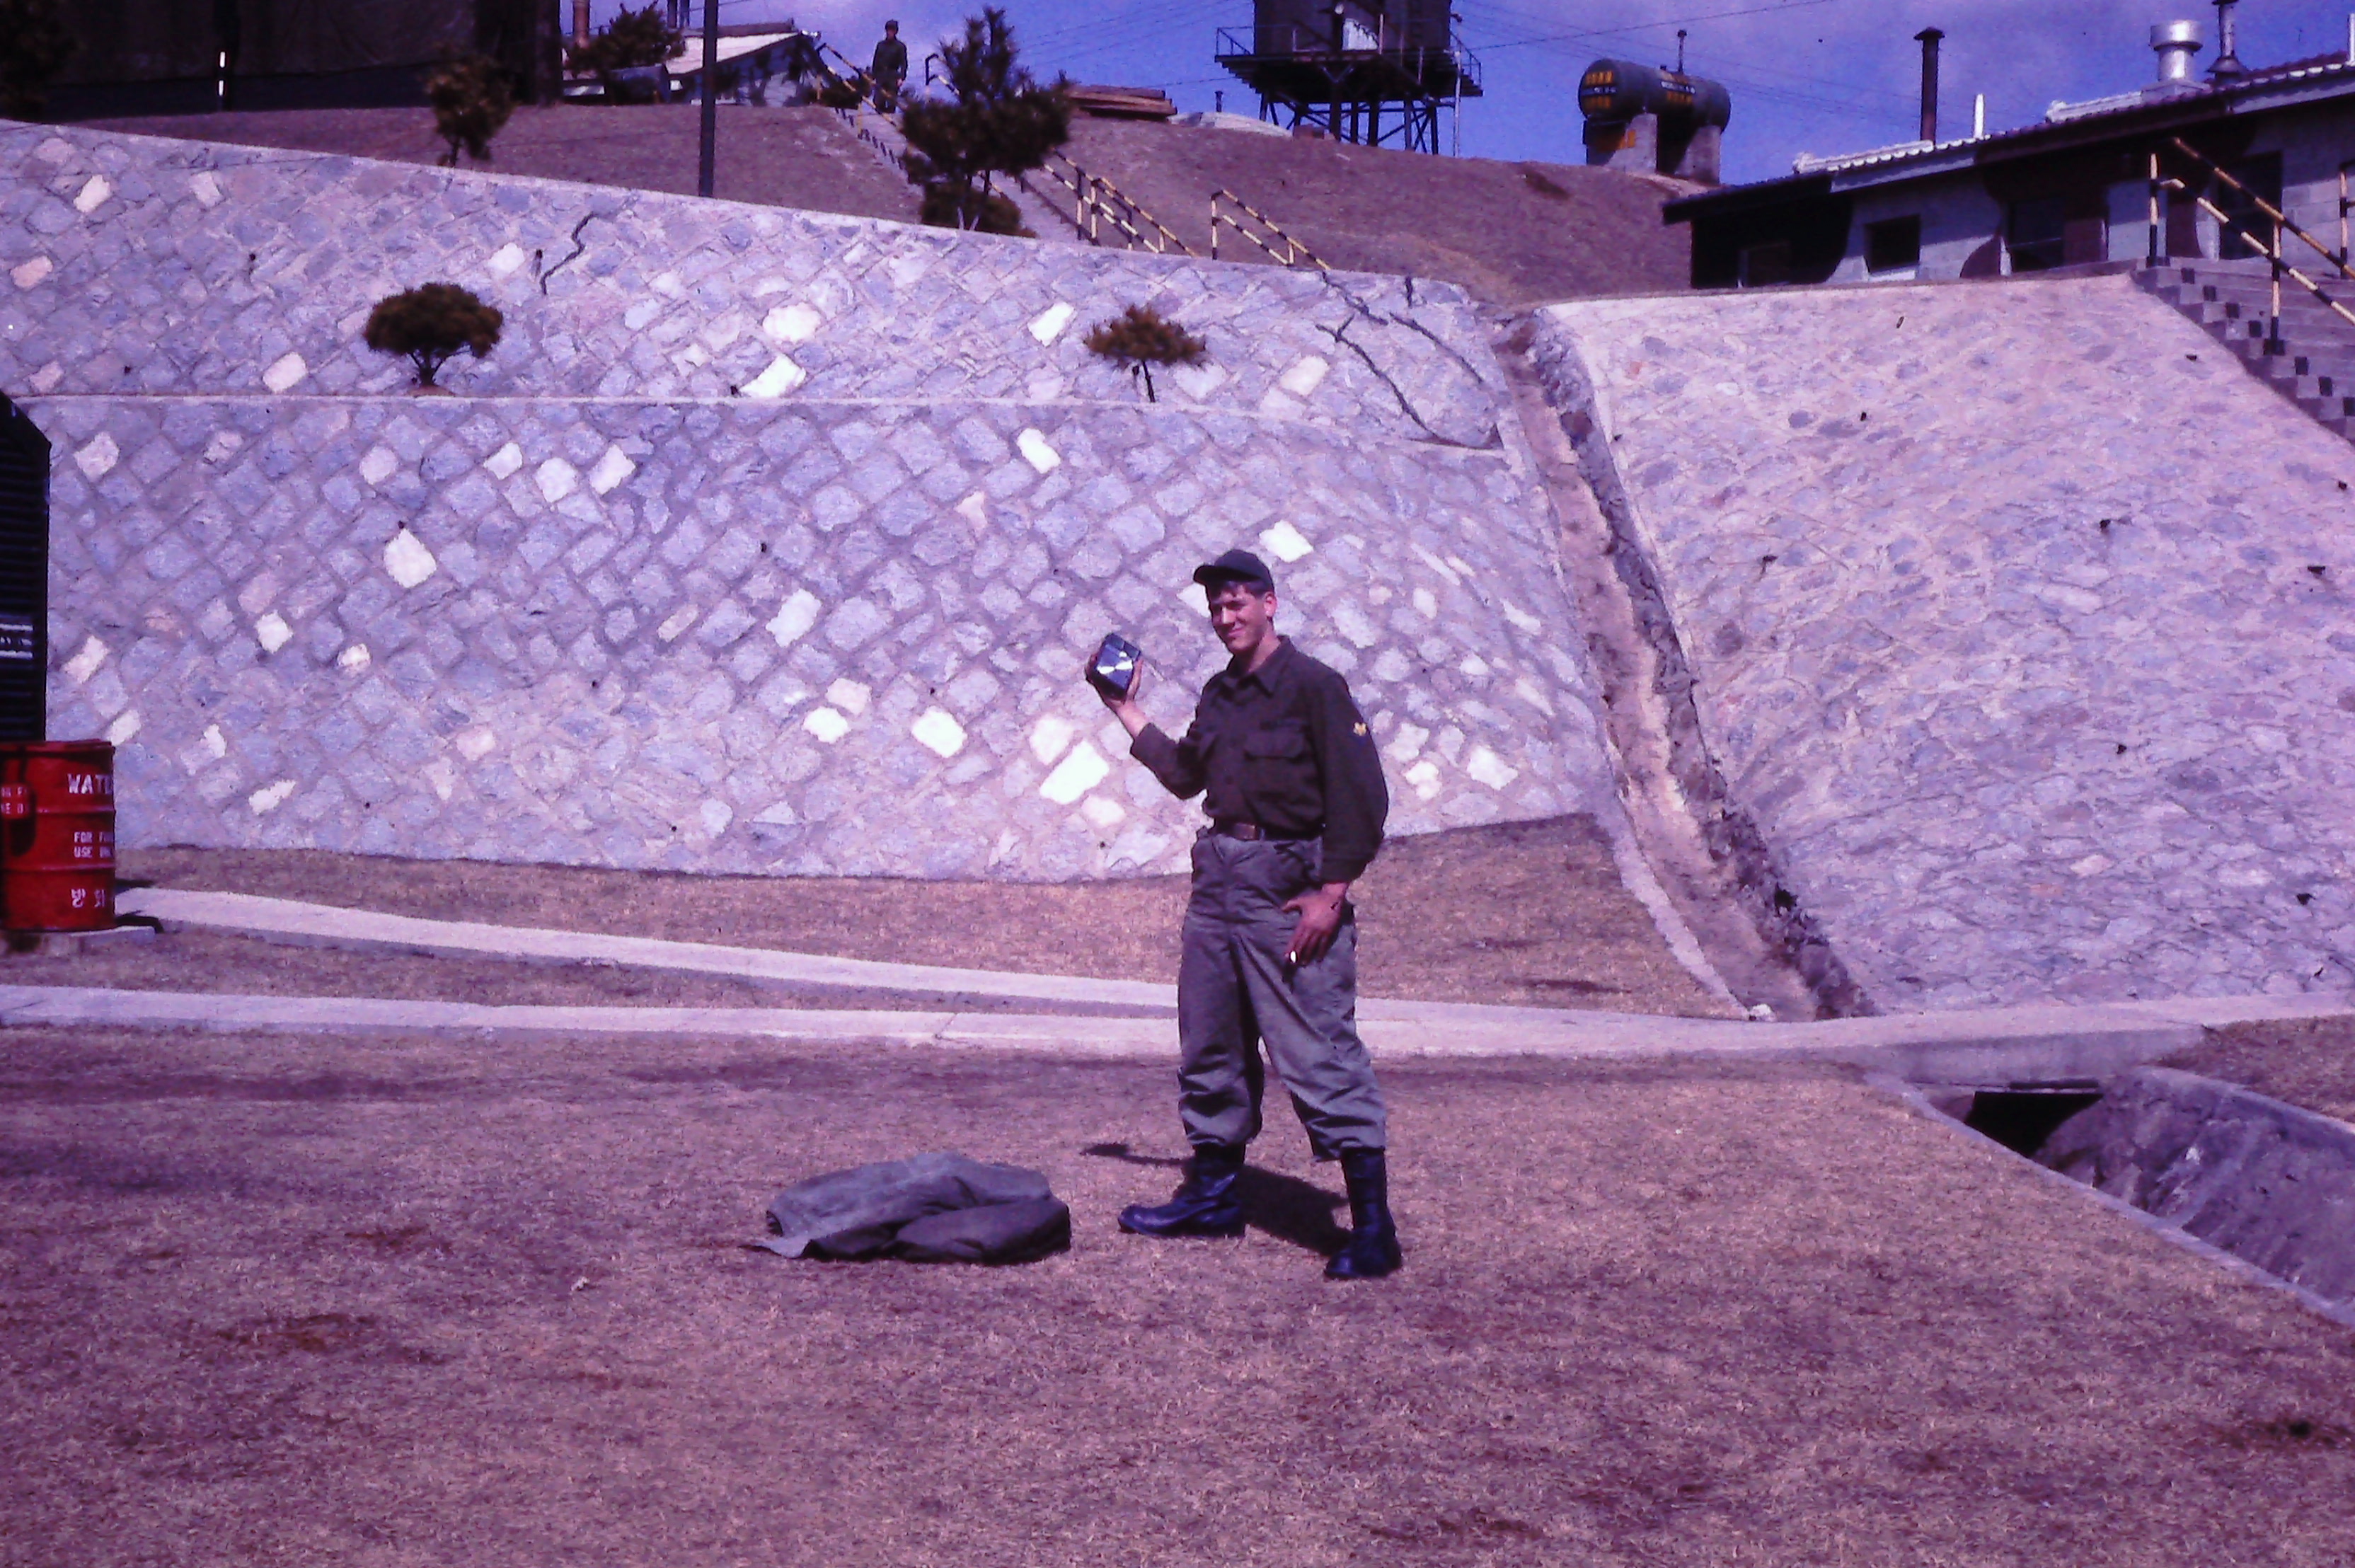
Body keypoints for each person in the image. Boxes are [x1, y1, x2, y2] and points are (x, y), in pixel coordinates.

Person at [1095, 548, 1401, 1280]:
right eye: (1216, 607)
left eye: (1237, 602)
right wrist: (1123, 707)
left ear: (1270, 603)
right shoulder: (1221, 692)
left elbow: (1363, 796)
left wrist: (1331, 893)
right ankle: (1213, 1199)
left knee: (1319, 1050)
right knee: (1211, 1045)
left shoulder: (1315, 686)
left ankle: (1373, 1229)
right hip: (1219, 885)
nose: (1225, 616)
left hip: (1286, 888)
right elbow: (1185, 775)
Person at [869, 21, 908, 113]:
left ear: (895, 32)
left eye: (892, 30)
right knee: (878, 101)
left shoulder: (900, 46)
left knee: (891, 101)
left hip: (893, 76)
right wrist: (873, 77)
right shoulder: (881, 45)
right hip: (881, 76)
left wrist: (902, 78)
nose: (889, 32)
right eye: (888, 30)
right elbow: (876, 61)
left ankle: (890, 117)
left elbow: (904, 63)